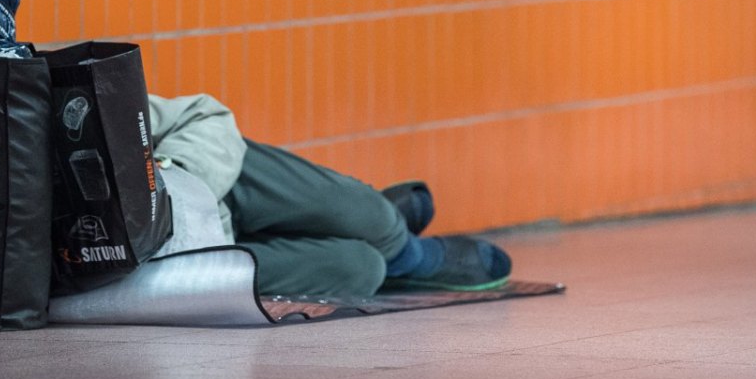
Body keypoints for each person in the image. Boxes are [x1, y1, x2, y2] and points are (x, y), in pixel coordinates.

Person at [148, 92, 512, 298]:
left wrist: (176, 185)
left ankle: (404, 251)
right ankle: (391, 253)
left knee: (374, 218)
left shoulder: (92, 95)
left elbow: (204, 115)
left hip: (210, 183)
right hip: (193, 261)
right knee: (362, 270)